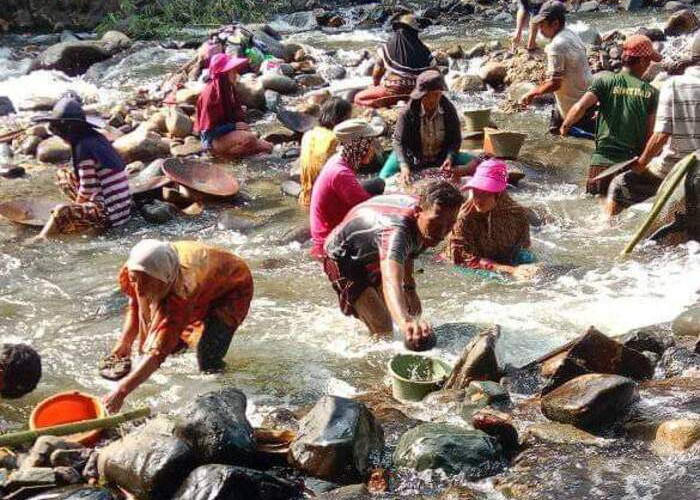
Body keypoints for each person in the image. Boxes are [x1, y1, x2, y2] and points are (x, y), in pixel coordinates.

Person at [103, 239, 254, 413]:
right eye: (135, 280)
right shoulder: (139, 268)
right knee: (172, 346)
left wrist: (121, 391)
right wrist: (125, 342)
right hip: (204, 278)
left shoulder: (180, 292)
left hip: (232, 287)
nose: (141, 289)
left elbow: (157, 353)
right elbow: (136, 303)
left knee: (208, 359)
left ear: (166, 281)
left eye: (147, 283)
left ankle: (225, 398)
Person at [322, 181, 463, 350]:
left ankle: (365, 313)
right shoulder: (396, 232)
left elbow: (408, 252)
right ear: (418, 212)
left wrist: (410, 289)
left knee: (391, 308)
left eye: (450, 225)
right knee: (384, 327)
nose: (442, 232)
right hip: (344, 257)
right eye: (436, 223)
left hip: (373, 250)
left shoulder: (429, 221)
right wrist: (406, 322)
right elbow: (391, 281)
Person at [561, 34, 661, 211]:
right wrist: (644, 162)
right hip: (629, 164)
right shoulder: (651, 92)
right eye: (650, 61)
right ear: (643, 61)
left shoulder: (604, 80)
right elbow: (650, 133)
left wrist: (565, 126)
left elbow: (580, 107)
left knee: (593, 207)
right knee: (619, 213)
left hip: (600, 162)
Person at [30, 97, 131, 242]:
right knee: (63, 175)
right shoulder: (95, 138)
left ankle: (42, 237)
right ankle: (84, 212)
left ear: (66, 131)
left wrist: (74, 208)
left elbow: (87, 187)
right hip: (120, 207)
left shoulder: (83, 147)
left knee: (61, 210)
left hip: (110, 214)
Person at [621, 32, 700, 211]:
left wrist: (640, 164)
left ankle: (604, 227)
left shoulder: (673, 85)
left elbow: (661, 135)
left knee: (621, 184)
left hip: (678, 168)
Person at [380, 70, 481, 185]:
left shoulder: (448, 110)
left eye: (435, 95)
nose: (430, 99)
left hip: (441, 157)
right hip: (412, 157)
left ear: (439, 94)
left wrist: (450, 158)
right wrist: (404, 166)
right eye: (426, 96)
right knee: (383, 178)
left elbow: (455, 140)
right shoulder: (408, 112)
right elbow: (398, 142)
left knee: (481, 166)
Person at [446, 160, 538, 280]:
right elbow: (463, 259)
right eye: (475, 191)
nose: (477, 199)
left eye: (484, 193)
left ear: (499, 193)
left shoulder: (518, 215)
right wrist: (510, 270)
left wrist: (530, 268)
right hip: (467, 267)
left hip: (500, 261)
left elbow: (523, 249)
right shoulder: (464, 217)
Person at [310, 119, 385, 258]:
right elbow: (370, 209)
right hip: (330, 243)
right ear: (357, 145)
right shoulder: (340, 173)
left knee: (378, 184)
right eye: (369, 143)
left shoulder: (338, 160)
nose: (372, 148)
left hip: (330, 231)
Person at [519, 1, 595, 136]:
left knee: (574, 145)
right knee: (555, 135)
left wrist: (532, 93)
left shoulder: (557, 45)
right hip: (584, 99)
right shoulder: (571, 34)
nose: (540, 29)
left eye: (542, 25)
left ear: (555, 23)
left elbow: (555, 84)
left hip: (574, 107)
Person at [195, 53, 273, 158]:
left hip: (228, 134)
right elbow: (208, 131)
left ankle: (237, 155)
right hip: (213, 140)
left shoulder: (228, 88)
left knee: (268, 147)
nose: (236, 73)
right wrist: (233, 126)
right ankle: (222, 156)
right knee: (248, 139)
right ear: (224, 74)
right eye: (232, 70)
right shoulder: (210, 95)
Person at [354, 13, 436, 109]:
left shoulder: (388, 47)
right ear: (415, 32)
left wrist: (376, 86)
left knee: (358, 98)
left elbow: (377, 73)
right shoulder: (424, 50)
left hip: (394, 91)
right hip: (417, 92)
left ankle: (386, 105)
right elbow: (434, 73)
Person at [299, 97, 353, 207]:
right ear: (342, 119)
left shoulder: (309, 134)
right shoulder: (335, 139)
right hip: (327, 200)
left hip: (305, 198)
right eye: (349, 118)